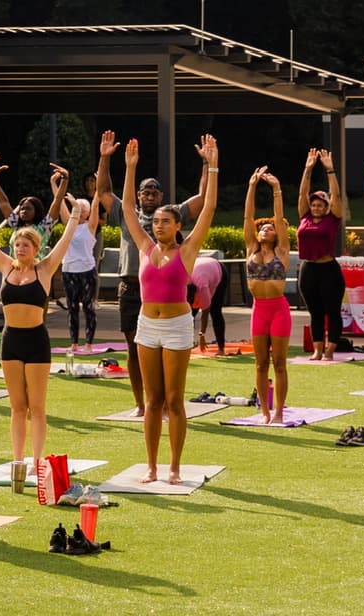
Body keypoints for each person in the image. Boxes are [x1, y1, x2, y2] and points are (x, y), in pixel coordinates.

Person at [0, 155, 87, 486]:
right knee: (16, 406)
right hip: (11, 340)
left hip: (36, 341)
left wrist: (76, 212)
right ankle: (17, 460)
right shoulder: (6, 266)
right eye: (18, 243)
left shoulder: (45, 267)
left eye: (26, 244)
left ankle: (38, 462)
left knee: (37, 407)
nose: (21, 247)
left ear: (36, 247)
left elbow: (66, 238)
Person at [122, 134, 221, 481]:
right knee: (152, 401)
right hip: (147, 326)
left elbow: (208, 208)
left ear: (178, 225)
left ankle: (175, 467)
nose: (158, 225)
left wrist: (212, 165)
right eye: (157, 222)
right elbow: (126, 210)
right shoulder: (146, 248)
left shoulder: (188, 250)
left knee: (175, 400)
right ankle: (151, 466)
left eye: (166, 221)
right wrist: (130, 168)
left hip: (178, 326)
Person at [91, 131, 204, 410]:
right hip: (131, 285)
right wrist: (105, 158)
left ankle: (165, 401)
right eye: (145, 191)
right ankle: (143, 403)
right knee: (135, 348)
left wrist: (206, 164)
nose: (150, 195)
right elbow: (103, 192)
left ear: (162, 196)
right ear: (139, 196)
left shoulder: (171, 214)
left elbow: (203, 201)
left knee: (168, 349)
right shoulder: (126, 213)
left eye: (155, 191)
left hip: (169, 291)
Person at [244, 167, 293, 423]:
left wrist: (276, 189)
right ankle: (264, 411)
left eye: (271, 228)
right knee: (260, 364)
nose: (266, 229)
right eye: (263, 228)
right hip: (259, 309)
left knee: (280, 363)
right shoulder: (251, 248)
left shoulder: (282, 250)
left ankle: (279, 412)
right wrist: (252, 186)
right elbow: (248, 216)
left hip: (278, 309)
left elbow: (279, 216)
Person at [297, 148, 350, 359]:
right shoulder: (305, 217)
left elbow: (336, 195)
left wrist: (330, 170)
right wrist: (308, 169)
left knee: (332, 311)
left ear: (326, 206)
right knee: (315, 312)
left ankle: (330, 350)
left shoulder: (332, 218)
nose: (316, 207)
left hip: (328, 269)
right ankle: (318, 350)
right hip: (308, 268)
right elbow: (302, 194)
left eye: (320, 204)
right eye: (314, 204)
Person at [48, 173, 100, 352]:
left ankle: (89, 344)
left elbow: (95, 204)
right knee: (72, 309)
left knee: (89, 308)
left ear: (86, 213)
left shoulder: (90, 226)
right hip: (69, 270)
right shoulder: (69, 225)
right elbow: (60, 203)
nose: (76, 211)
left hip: (87, 271)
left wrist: (99, 187)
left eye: (80, 208)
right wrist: (54, 183)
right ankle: (74, 344)